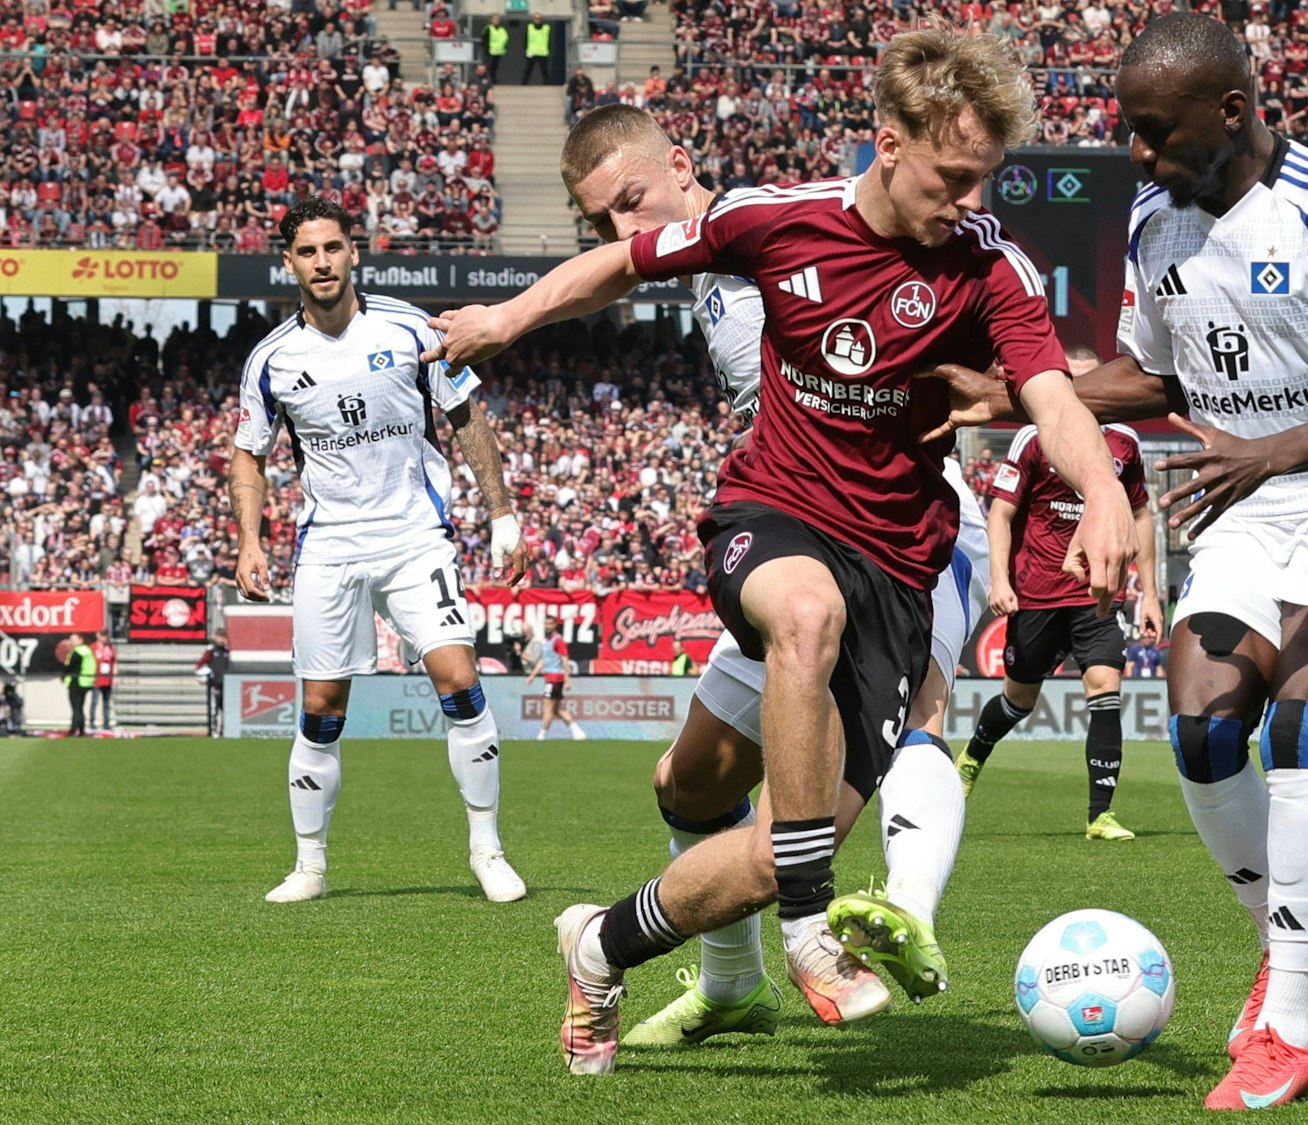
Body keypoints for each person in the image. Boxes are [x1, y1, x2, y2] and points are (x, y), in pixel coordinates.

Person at [429, 30, 1136, 1075]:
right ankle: (810, 926)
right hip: (777, 515)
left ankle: (601, 947)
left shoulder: (992, 266)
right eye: (951, 175)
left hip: (899, 564)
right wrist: (507, 314)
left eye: (982, 176)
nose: (968, 197)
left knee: (752, 838)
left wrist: (1104, 490)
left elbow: (1048, 397)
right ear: (888, 145)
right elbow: (619, 265)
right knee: (804, 617)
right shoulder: (775, 223)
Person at [923, 13, 1308, 1108]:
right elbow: (1154, 380)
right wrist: (1005, 392)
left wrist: (1267, 450)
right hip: (1245, 496)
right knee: (1202, 730)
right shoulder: (1154, 219)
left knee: (1299, 725)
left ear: (1233, 112)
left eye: (1154, 134)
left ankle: (1285, 1023)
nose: (1137, 156)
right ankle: (1283, 932)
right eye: (1129, 131)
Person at [551, 103, 996, 1052]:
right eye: (602, 223)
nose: (625, 233)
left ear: (680, 165)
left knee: (810, 822)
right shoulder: (712, 278)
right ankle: (733, 982)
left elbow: (954, 287)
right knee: (688, 782)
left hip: (908, 536)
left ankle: (902, 909)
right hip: (802, 536)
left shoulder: (773, 222)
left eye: (632, 203)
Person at [231, 196, 532, 905]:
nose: (322, 262)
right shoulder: (271, 359)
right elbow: (248, 454)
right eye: (307, 252)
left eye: (333, 248)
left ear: (353, 252)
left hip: (412, 535)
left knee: (459, 679)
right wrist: (249, 539)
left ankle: (487, 850)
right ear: (290, 263)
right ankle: (310, 865)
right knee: (322, 706)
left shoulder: (407, 327)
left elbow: (465, 417)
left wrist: (502, 512)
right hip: (329, 543)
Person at [957, 346, 1160, 840]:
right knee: (1017, 701)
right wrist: (1000, 580)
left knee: (1106, 692)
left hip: (1097, 595)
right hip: (1038, 596)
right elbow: (1001, 514)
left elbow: (1140, 516)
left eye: (1097, 385)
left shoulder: (1125, 443)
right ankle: (971, 758)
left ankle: (1100, 815)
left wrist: (1150, 592)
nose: (1088, 396)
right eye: (1077, 385)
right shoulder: (1033, 438)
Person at [527, 615, 586, 740]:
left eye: (550, 624)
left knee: (547, 706)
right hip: (549, 677)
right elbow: (543, 660)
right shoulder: (547, 641)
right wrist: (532, 675)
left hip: (555, 679)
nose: (547, 626)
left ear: (555, 625)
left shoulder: (558, 640)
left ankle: (541, 735)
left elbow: (565, 660)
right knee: (556, 709)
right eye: (546, 623)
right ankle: (577, 730)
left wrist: (567, 680)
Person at [197, 630, 231, 737]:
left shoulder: (228, 651)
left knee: (226, 709)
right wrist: (202, 676)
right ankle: (213, 731)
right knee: (213, 709)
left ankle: (224, 731)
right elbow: (200, 665)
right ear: (216, 637)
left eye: (223, 637)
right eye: (220, 637)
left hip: (226, 685)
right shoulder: (211, 650)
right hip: (214, 684)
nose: (222, 639)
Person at [63, 632, 94, 737]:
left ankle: (73, 730)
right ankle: (81, 730)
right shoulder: (88, 650)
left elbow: (70, 666)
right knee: (80, 707)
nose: (71, 641)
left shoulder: (78, 651)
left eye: (73, 639)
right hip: (86, 682)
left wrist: (63, 674)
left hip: (77, 681)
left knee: (75, 708)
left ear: (80, 640)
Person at [89, 632, 116, 731]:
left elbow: (114, 662)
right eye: (102, 635)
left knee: (106, 703)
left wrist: (115, 676)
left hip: (107, 679)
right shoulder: (92, 647)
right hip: (97, 679)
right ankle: (92, 722)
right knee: (94, 702)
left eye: (106, 635)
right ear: (98, 636)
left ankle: (106, 723)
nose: (105, 637)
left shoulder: (110, 647)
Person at [523, 13, 553, 85]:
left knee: (544, 70)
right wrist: (525, 50)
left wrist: (549, 49)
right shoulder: (529, 27)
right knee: (528, 69)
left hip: (542, 52)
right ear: (533, 19)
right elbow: (525, 39)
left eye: (539, 18)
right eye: (536, 18)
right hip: (532, 52)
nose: (537, 20)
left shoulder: (546, 28)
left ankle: (547, 84)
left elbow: (549, 40)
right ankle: (524, 83)